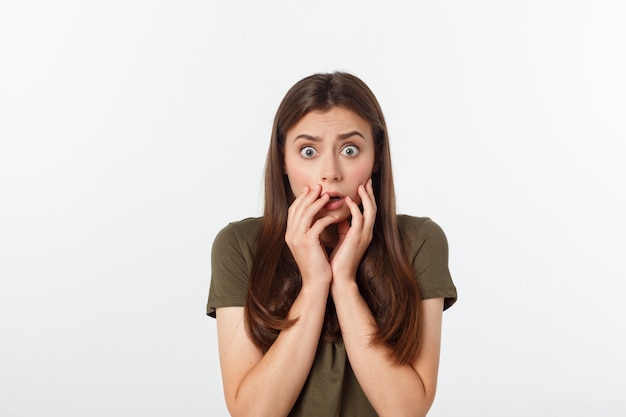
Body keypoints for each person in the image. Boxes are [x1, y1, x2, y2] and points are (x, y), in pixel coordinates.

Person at [207, 71, 457, 417]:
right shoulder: (238, 246)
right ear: (282, 159)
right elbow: (253, 413)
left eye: (350, 149)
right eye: (308, 151)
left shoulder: (419, 242)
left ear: (378, 156)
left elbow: (406, 411)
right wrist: (314, 284)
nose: (330, 172)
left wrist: (345, 283)